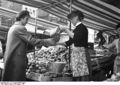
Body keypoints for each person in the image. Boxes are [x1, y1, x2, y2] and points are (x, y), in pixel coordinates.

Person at [1, 10, 60, 81]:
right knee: (16, 79)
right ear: (21, 18)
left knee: (10, 79)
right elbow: (32, 41)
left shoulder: (12, 28)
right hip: (16, 60)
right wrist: (50, 41)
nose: (27, 21)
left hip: (11, 58)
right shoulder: (20, 28)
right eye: (26, 19)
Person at [57, 10, 92, 81]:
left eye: (71, 19)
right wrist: (56, 43)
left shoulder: (82, 27)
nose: (71, 21)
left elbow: (76, 37)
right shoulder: (76, 29)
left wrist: (65, 29)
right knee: (78, 76)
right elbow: (69, 42)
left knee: (84, 75)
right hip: (77, 55)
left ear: (76, 17)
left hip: (82, 55)